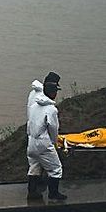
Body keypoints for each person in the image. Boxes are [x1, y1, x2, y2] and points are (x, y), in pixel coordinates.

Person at [26, 73, 66, 201]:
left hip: (31, 140)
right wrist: (54, 143)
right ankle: (53, 194)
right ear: (53, 93)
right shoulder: (51, 109)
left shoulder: (34, 105)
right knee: (56, 168)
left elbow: (30, 121)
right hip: (43, 143)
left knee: (34, 166)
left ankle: (32, 193)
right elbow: (53, 128)